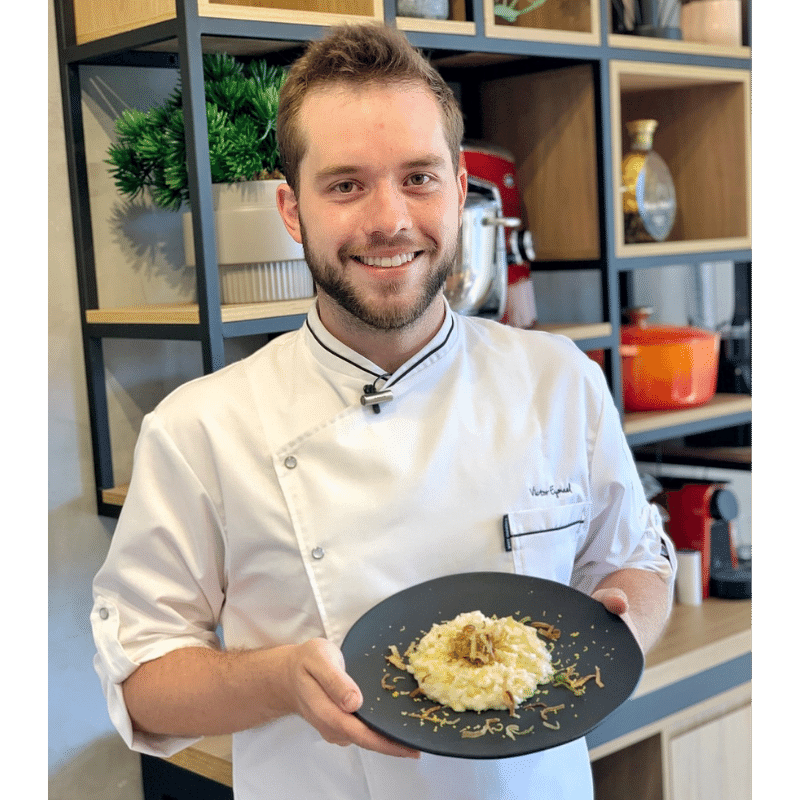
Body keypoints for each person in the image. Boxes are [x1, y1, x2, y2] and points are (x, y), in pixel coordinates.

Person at [91, 23, 675, 800]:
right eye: (345, 185)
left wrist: (618, 633)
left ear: (460, 189)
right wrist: (276, 681)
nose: (390, 220)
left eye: (420, 178)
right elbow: (141, 686)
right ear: (291, 212)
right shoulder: (202, 427)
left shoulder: (558, 380)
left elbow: (639, 560)